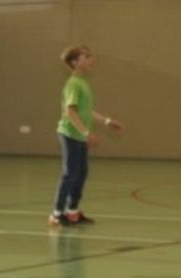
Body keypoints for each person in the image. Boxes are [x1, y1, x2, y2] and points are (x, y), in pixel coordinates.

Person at [51, 45, 125, 226]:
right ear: (75, 62)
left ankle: (72, 212)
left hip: (80, 135)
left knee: (81, 173)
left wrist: (107, 121)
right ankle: (57, 214)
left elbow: (86, 110)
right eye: (86, 57)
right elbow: (71, 112)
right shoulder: (73, 84)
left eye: (91, 56)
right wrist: (86, 133)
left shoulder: (83, 83)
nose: (91, 59)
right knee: (70, 174)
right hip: (70, 134)